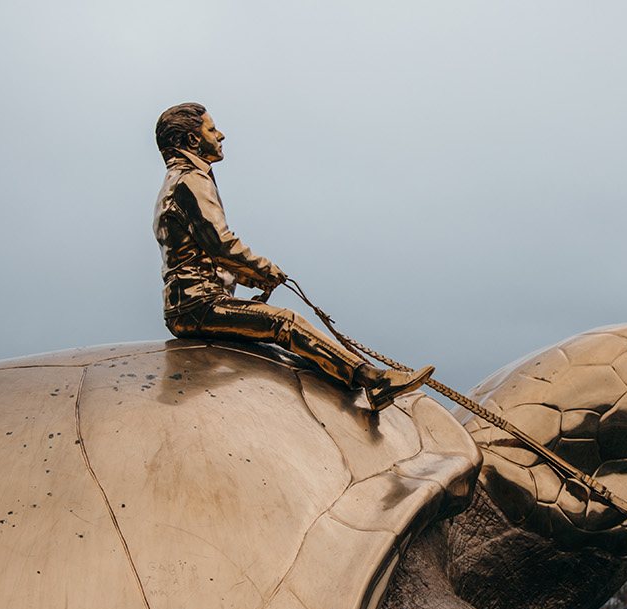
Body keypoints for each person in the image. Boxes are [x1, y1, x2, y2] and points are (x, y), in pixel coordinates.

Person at [153, 103, 431, 410]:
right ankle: (373, 380)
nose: (220, 135)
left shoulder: (180, 180)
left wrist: (252, 277)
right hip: (198, 306)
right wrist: (264, 270)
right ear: (193, 140)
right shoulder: (191, 180)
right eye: (211, 129)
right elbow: (220, 245)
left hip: (193, 304)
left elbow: (206, 253)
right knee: (285, 322)